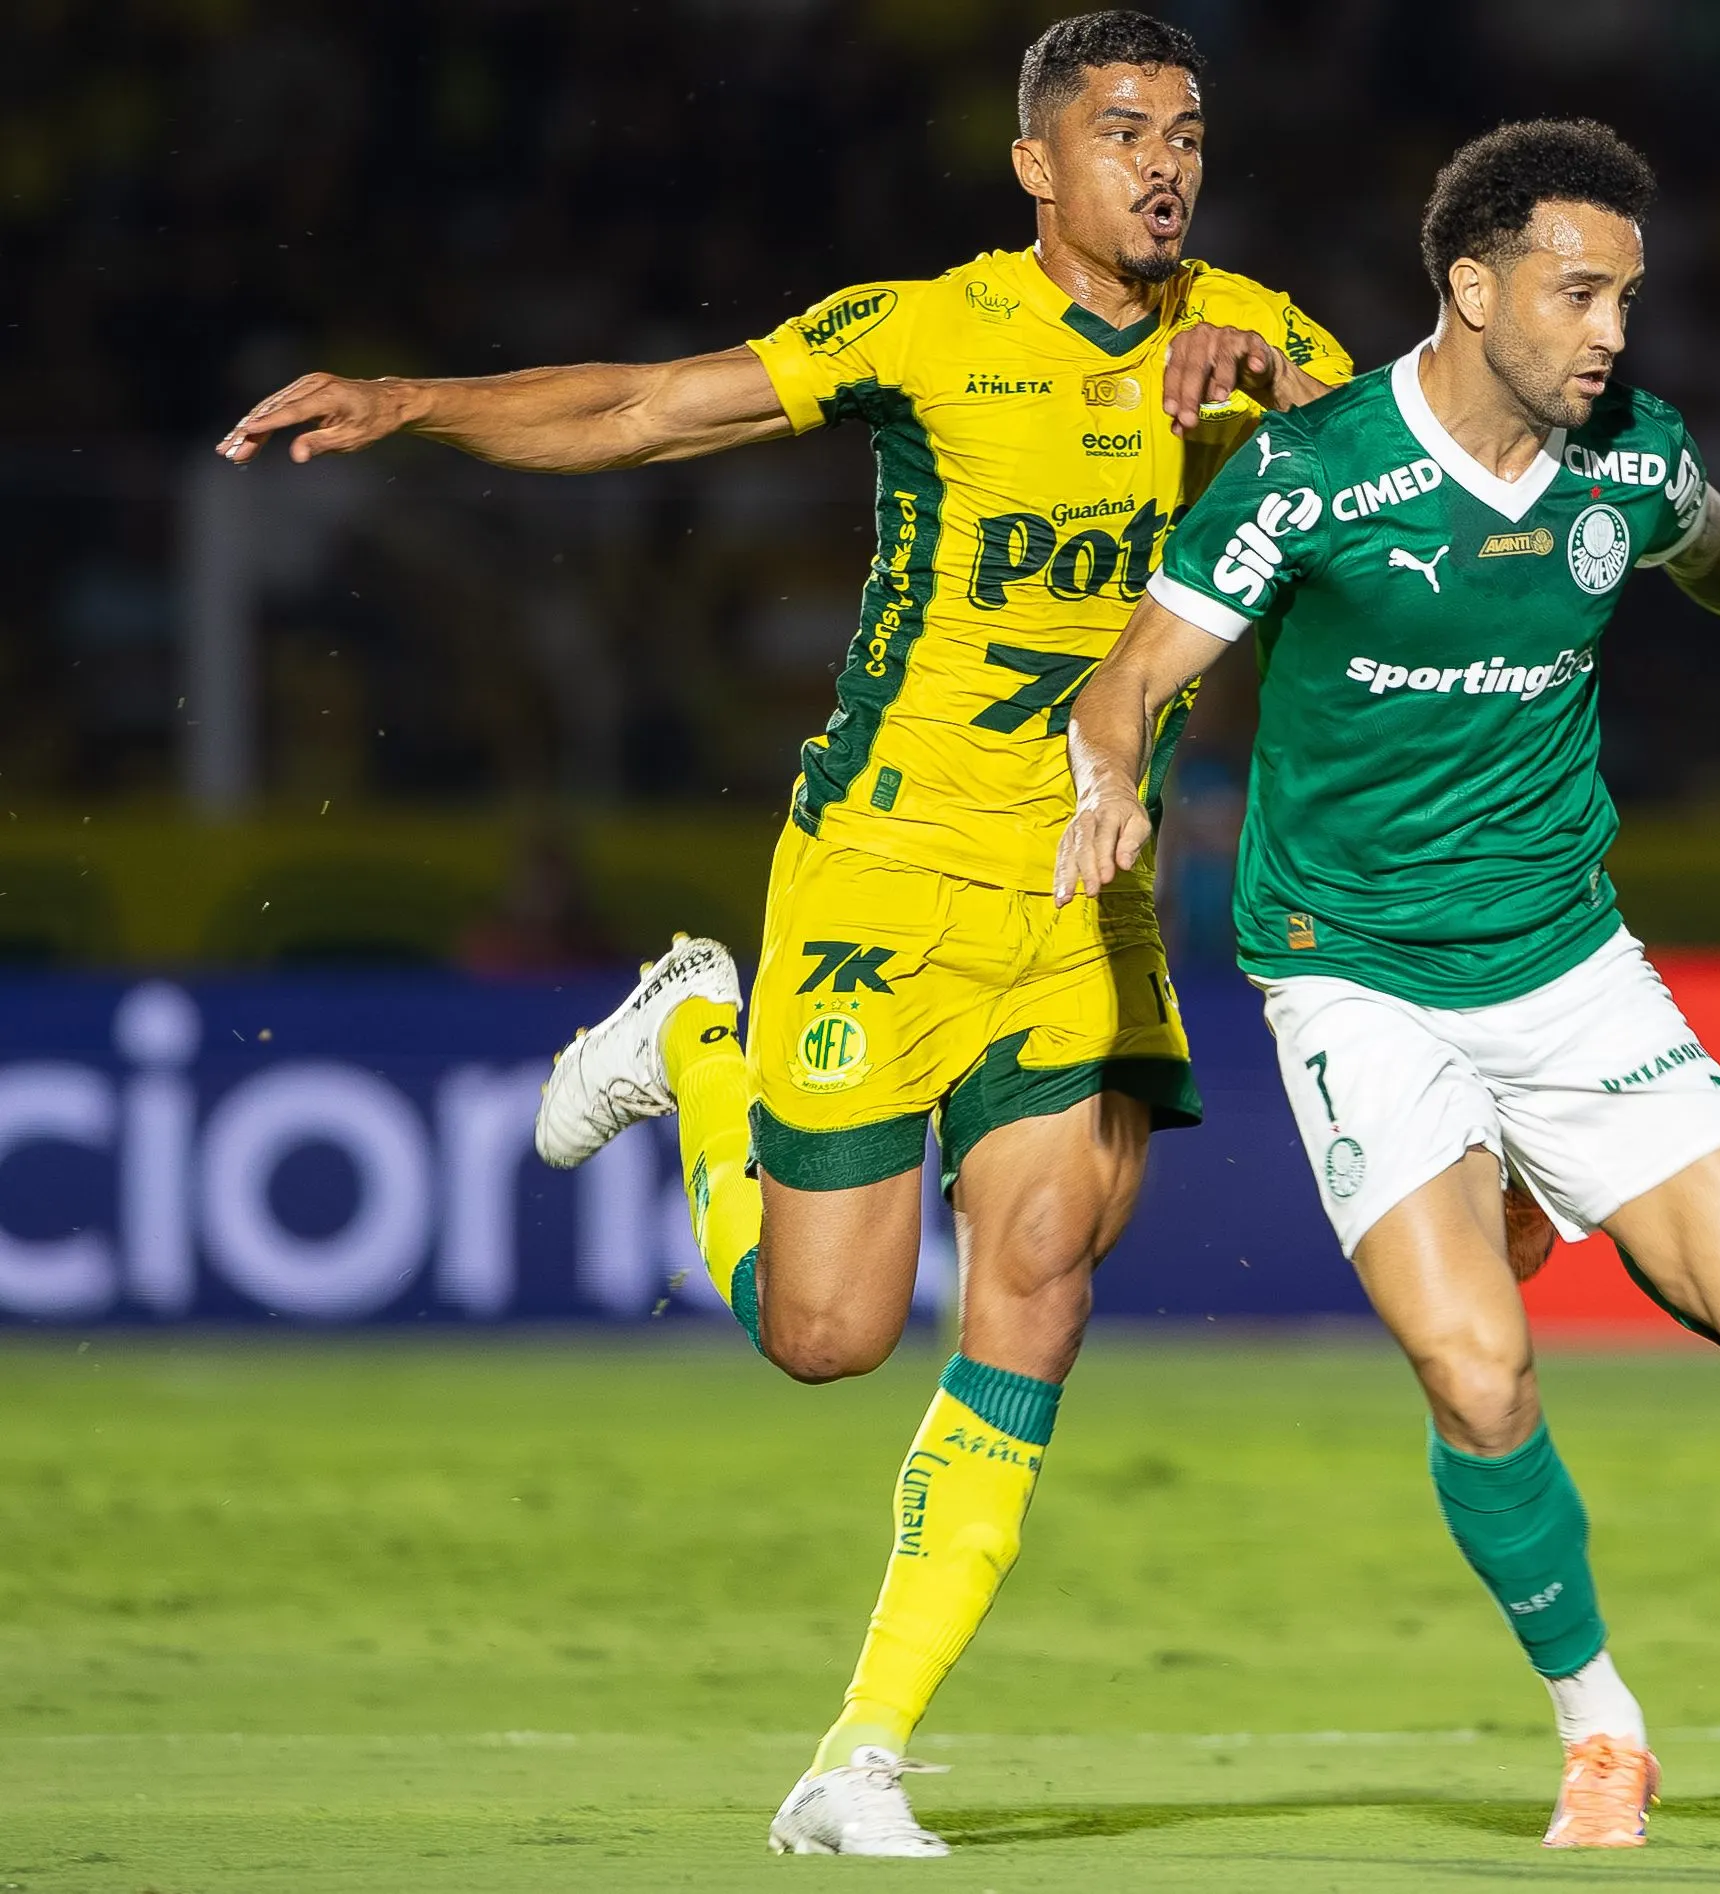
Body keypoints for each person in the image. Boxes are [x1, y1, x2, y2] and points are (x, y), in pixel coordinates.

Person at [221, 12, 1351, 1856]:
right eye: (1124, 131)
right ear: (1036, 167)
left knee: (1047, 1271)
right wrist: (419, 405)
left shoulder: (1265, 336)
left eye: (1189, 134)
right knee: (825, 1332)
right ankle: (692, 1030)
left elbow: (1412, 482)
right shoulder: (926, 330)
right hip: (879, 879)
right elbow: (651, 408)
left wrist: (1297, 408)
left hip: (1082, 881)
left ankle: (861, 1757)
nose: (1164, 165)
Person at [1053, 119, 1720, 1849]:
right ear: (1472, 288)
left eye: (1626, 296)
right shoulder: (1314, 472)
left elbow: (1716, 545)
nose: (1612, 330)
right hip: (1360, 984)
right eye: (1577, 292)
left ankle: (1538, 1197)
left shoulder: (1626, 460)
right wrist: (1111, 775)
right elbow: (1132, 677)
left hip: (1566, 969)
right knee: (1478, 1373)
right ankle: (1600, 1722)